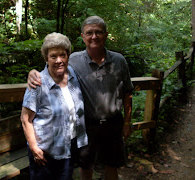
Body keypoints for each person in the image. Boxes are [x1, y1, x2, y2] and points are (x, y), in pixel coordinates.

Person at [28, 16, 133, 180]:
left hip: (113, 123)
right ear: (82, 36)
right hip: (87, 125)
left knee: (112, 165)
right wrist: (33, 73)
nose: (94, 36)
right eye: (89, 33)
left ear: (106, 34)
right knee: (86, 166)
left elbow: (128, 92)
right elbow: (53, 67)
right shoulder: (74, 61)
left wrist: (127, 122)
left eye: (98, 32)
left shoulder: (119, 61)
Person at [21, 32, 88, 180]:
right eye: (53, 56)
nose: (59, 60)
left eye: (63, 55)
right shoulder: (38, 83)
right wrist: (34, 148)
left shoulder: (72, 74)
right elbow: (26, 119)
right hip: (44, 152)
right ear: (46, 58)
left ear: (67, 56)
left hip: (68, 147)